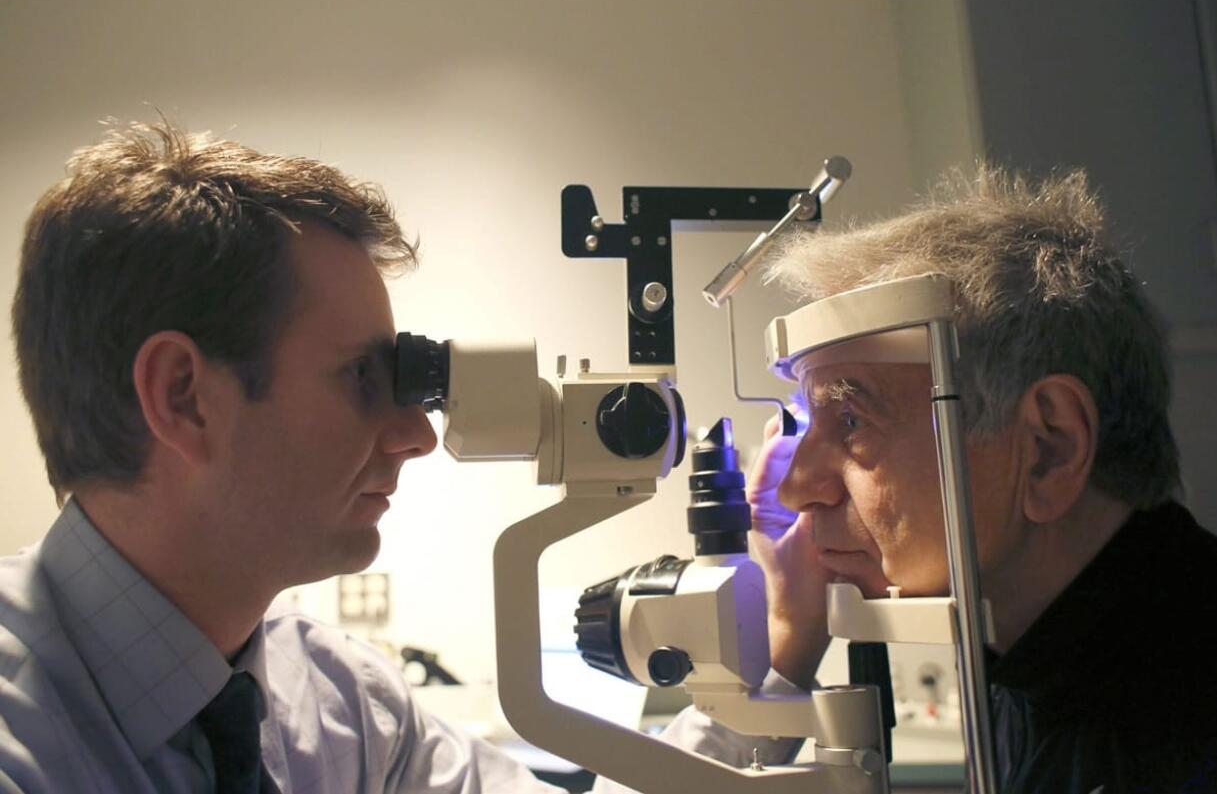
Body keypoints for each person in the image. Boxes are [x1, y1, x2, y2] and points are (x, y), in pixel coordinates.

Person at [0, 122, 796, 793]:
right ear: (183, 397)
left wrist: (789, 624)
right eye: (361, 376)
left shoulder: (345, 704)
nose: (417, 435)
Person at [746, 165, 1217, 793]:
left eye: (853, 418)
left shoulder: (1188, 734)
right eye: (810, 420)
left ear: (1048, 447)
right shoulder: (1029, 663)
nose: (795, 489)